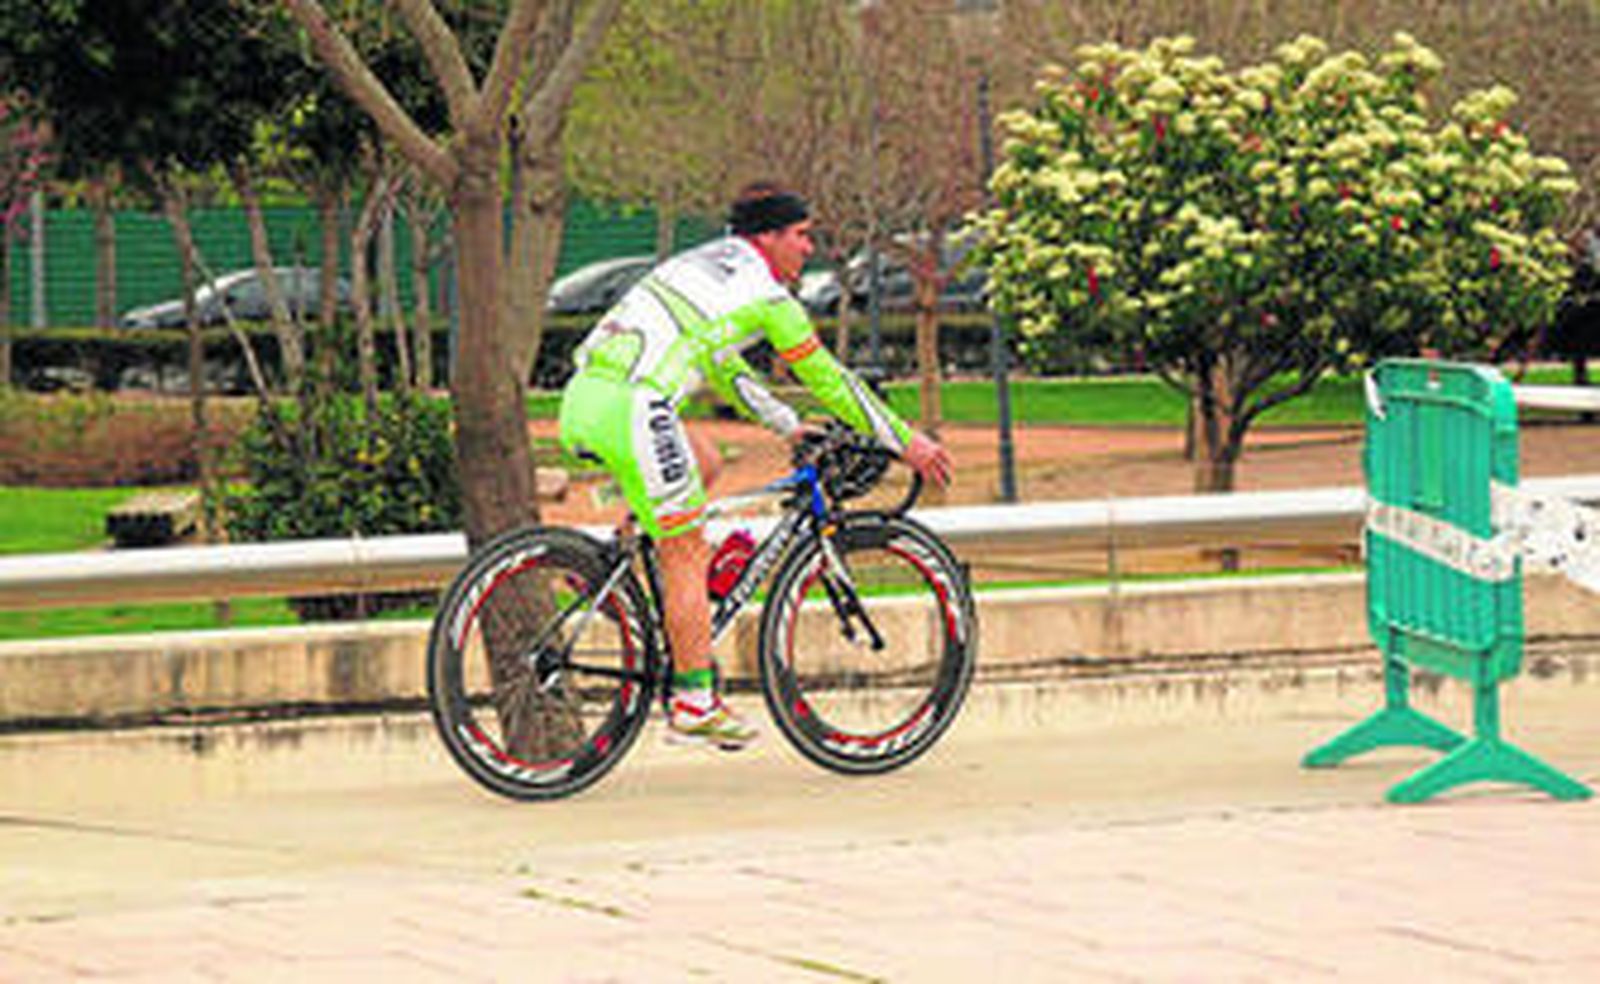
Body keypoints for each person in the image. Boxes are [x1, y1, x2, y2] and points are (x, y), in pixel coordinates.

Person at [558, 183, 953, 750]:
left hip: (586, 399)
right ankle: (694, 701)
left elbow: (722, 365)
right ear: (767, 237)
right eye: (801, 235)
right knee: (686, 547)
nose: (809, 248)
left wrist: (787, 424)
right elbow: (831, 380)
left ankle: (608, 564)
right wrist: (904, 439)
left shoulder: (708, 268)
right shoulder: (769, 298)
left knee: (706, 461)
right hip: (635, 406)